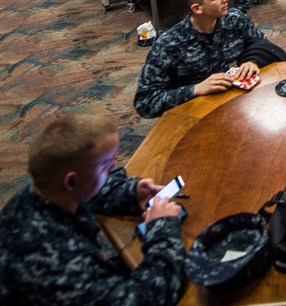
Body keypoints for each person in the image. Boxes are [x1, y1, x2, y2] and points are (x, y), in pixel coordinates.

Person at [0, 113, 185, 305]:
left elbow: (95, 193)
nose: (113, 168)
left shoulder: (40, 195)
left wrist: (131, 192)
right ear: (71, 181)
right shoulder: (58, 262)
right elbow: (145, 300)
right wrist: (163, 230)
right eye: (105, 165)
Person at [134, 0, 269, 118]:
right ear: (197, 8)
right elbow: (145, 103)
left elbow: (261, 43)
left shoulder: (236, 19)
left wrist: (252, 60)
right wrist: (195, 89)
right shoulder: (169, 45)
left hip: (240, 105)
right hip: (197, 115)